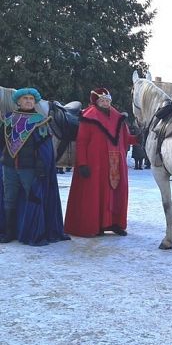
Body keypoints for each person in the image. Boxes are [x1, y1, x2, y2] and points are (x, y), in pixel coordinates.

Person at [64, 88, 138, 237]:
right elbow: (82, 142)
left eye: (107, 100)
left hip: (116, 164)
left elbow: (126, 138)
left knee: (117, 194)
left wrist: (137, 139)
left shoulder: (119, 118)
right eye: (102, 100)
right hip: (95, 164)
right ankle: (95, 225)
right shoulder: (88, 117)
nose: (105, 102)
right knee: (95, 195)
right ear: (96, 101)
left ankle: (114, 223)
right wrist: (83, 163)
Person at [0, 88, 69, 245]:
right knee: (9, 199)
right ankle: (9, 232)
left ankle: (34, 233)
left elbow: (45, 146)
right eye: (25, 98)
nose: (29, 101)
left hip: (29, 168)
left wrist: (41, 165)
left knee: (33, 198)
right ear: (18, 101)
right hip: (9, 167)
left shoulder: (40, 120)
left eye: (31, 99)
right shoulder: (9, 119)